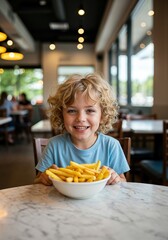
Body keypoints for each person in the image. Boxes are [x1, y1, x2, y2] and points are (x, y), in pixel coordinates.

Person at [35, 73, 130, 185]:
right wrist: (43, 179)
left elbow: (123, 182)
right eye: (71, 111)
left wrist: (116, 179)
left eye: (90, 110)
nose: (81, 118)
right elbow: (37, 183)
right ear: (61, 115)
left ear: (103, 115)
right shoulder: (53, 146)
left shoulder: (111, 146)